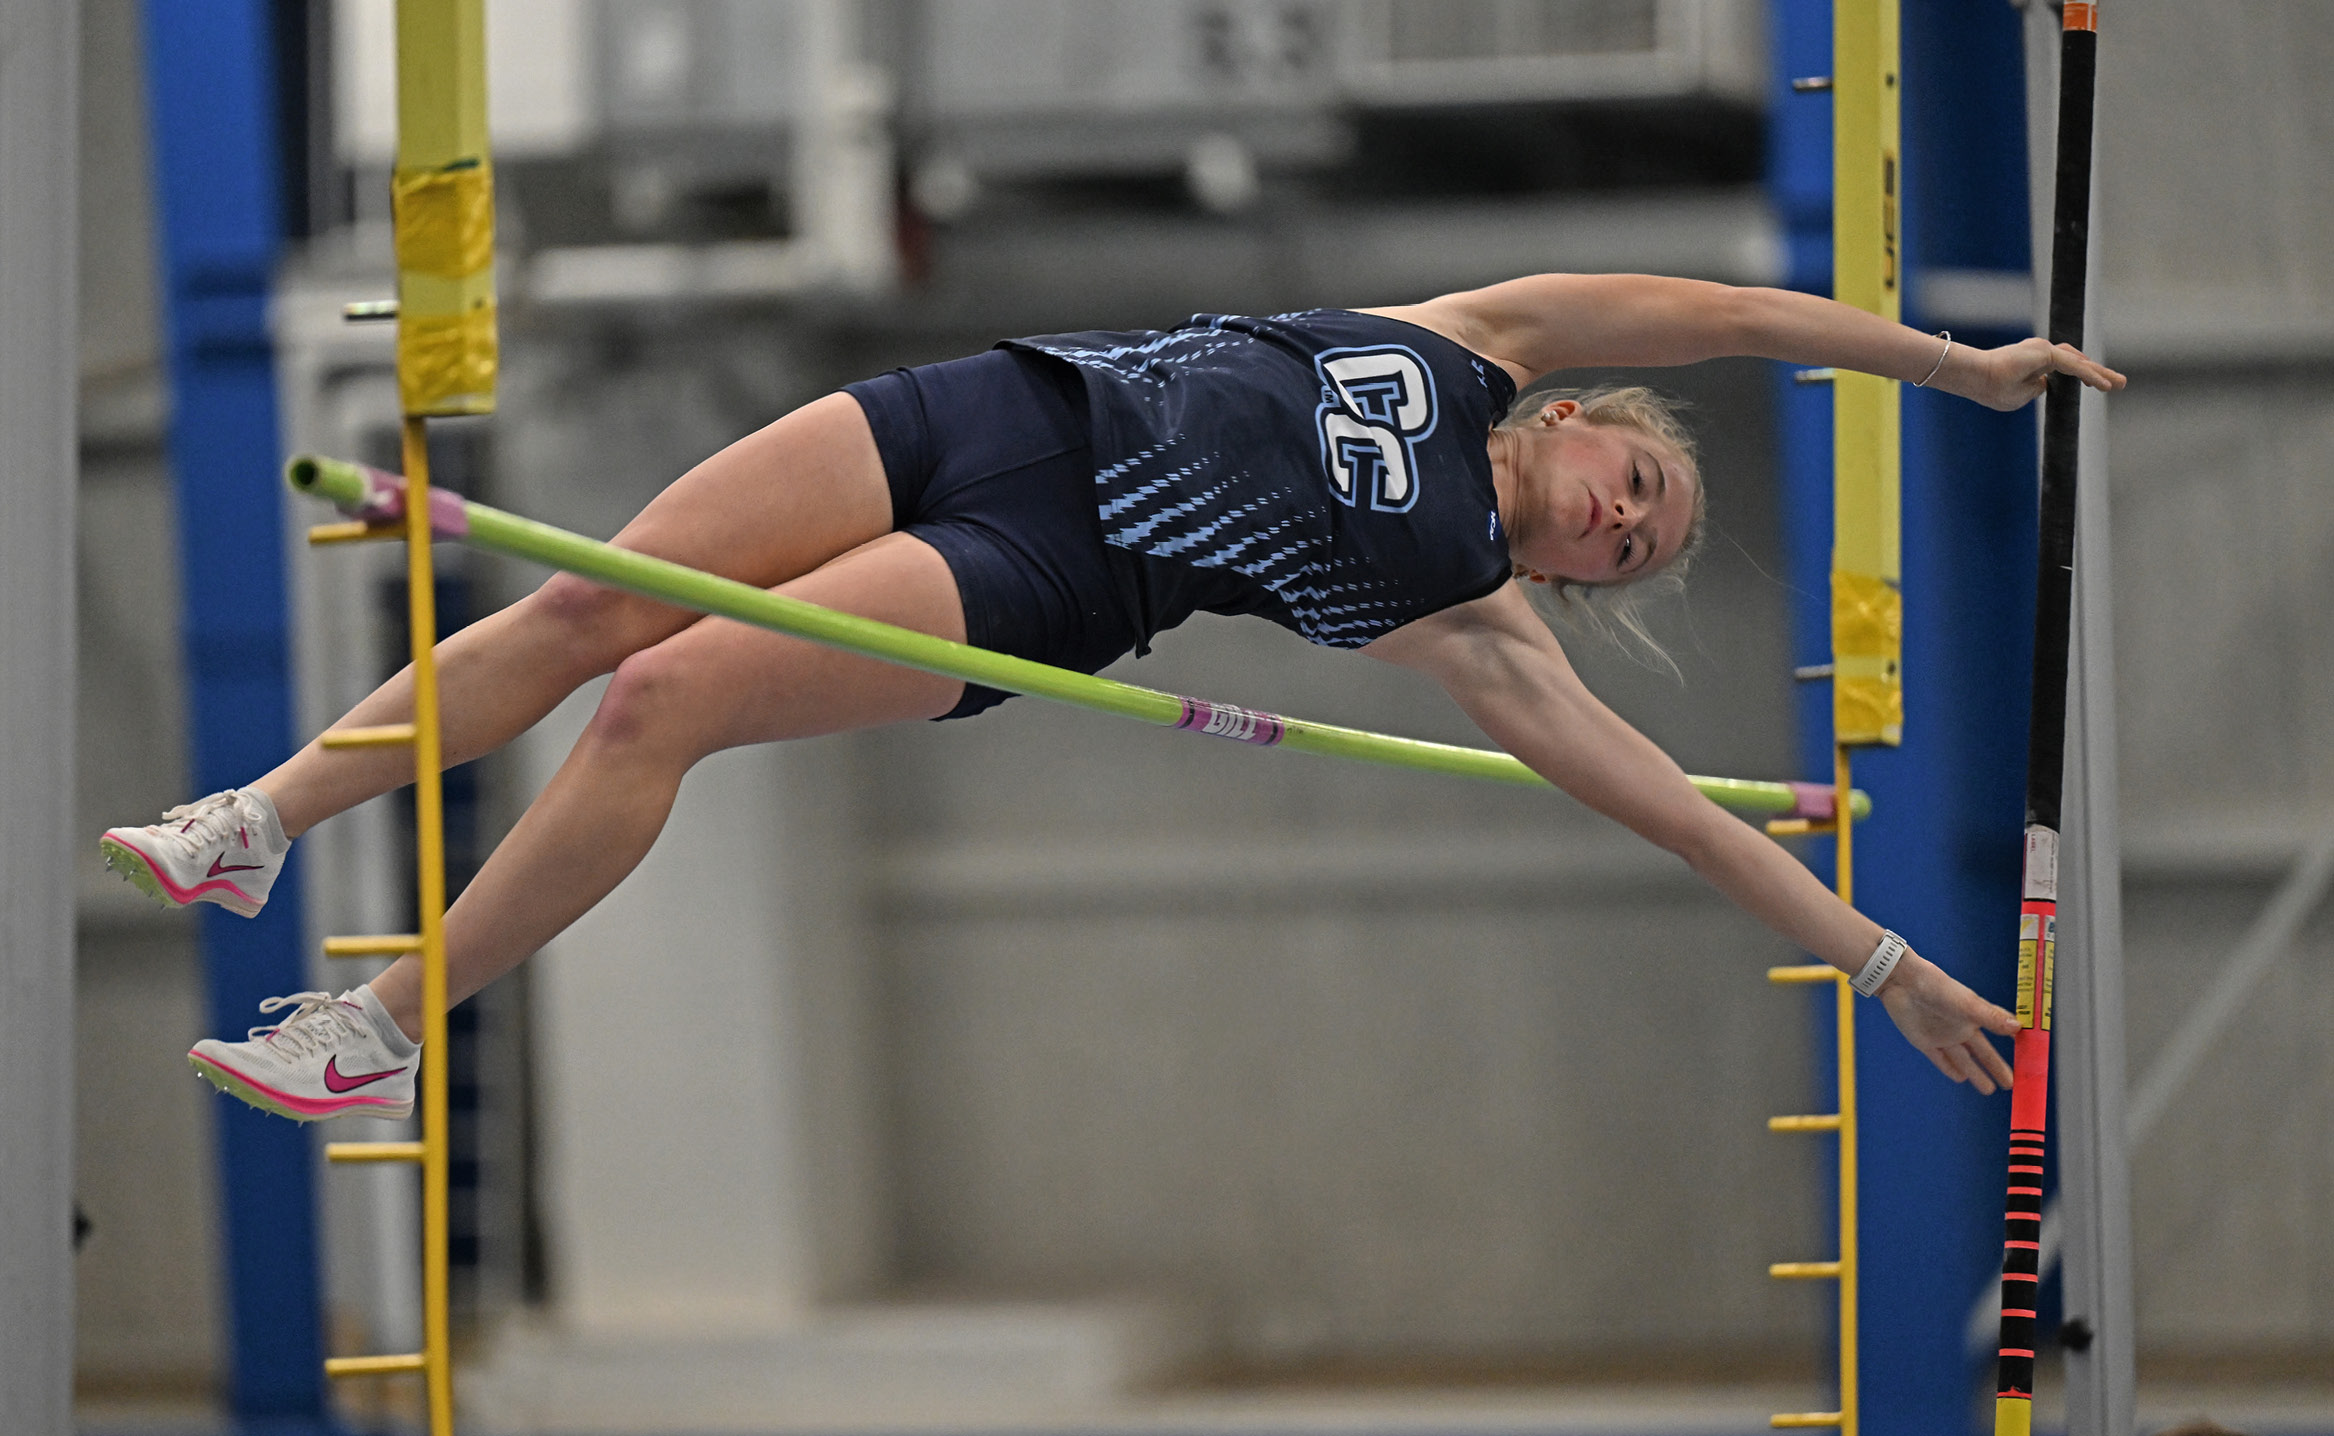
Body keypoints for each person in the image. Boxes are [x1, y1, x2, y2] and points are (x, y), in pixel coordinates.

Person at [99, 272, 2124, 1123]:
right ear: (1590, 422)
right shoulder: (1477, 341)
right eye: (1638, 492)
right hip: (997, 403)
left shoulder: (1479, 617)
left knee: (659, 701)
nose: (1622, 531)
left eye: (1639, 556)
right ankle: (265, 817)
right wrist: (1951, 366)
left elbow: (1680, 813)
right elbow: (1735, 310)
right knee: (580, 607)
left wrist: (1883, 968)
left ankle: (379, 1027)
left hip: (1050, 572)